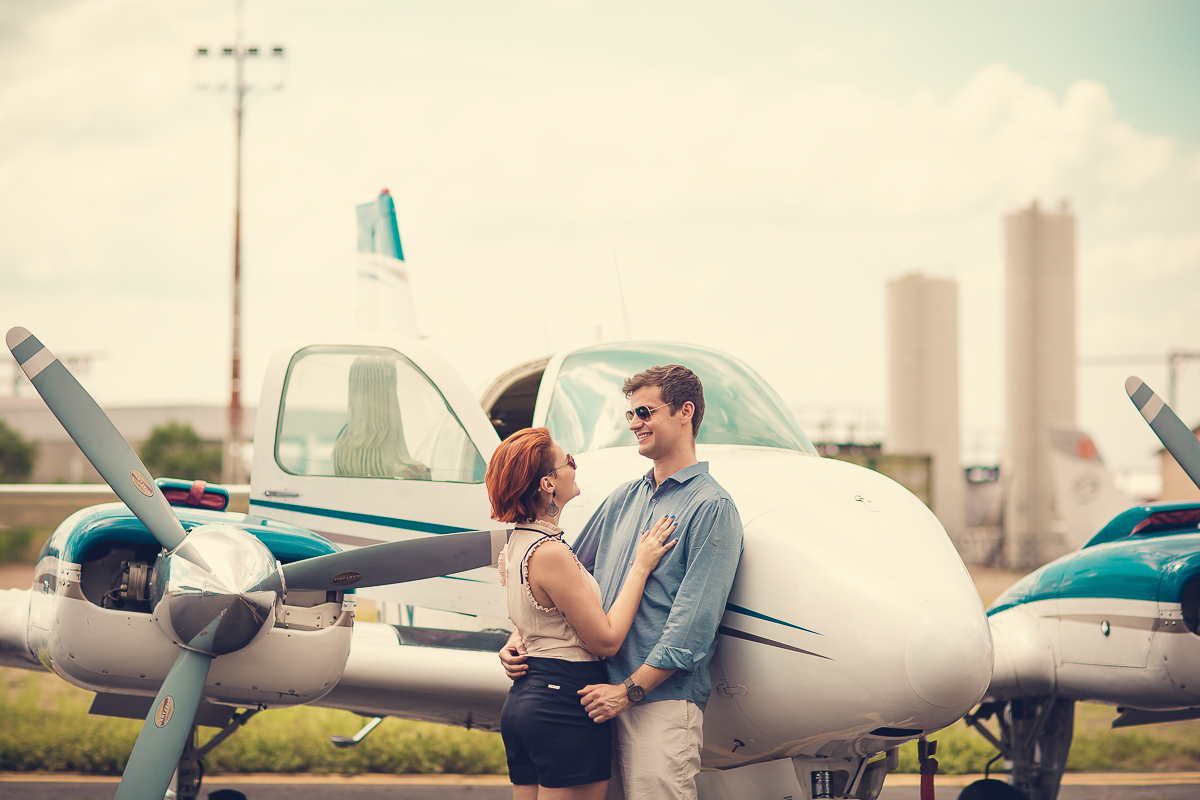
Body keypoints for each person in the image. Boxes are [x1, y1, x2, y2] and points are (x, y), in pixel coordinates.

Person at [500, 364, 744, 800]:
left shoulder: (712, 508)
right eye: (630, 414)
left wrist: (628, 692)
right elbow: (564, 583)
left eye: (645, 412)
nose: (634, 423)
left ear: (685, 411)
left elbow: (692, 629)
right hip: (592, 700)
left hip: (656, 704)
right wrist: (522, 637)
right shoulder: (622, 499)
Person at [487, 426, 678, 800]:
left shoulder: (515, 546)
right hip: (565, 703)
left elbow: (534, 618)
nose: (575, 467)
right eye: (568, 461)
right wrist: (640, 567)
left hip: (526, 700)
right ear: (548, 483)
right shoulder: (551, 553)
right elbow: (605, 641)